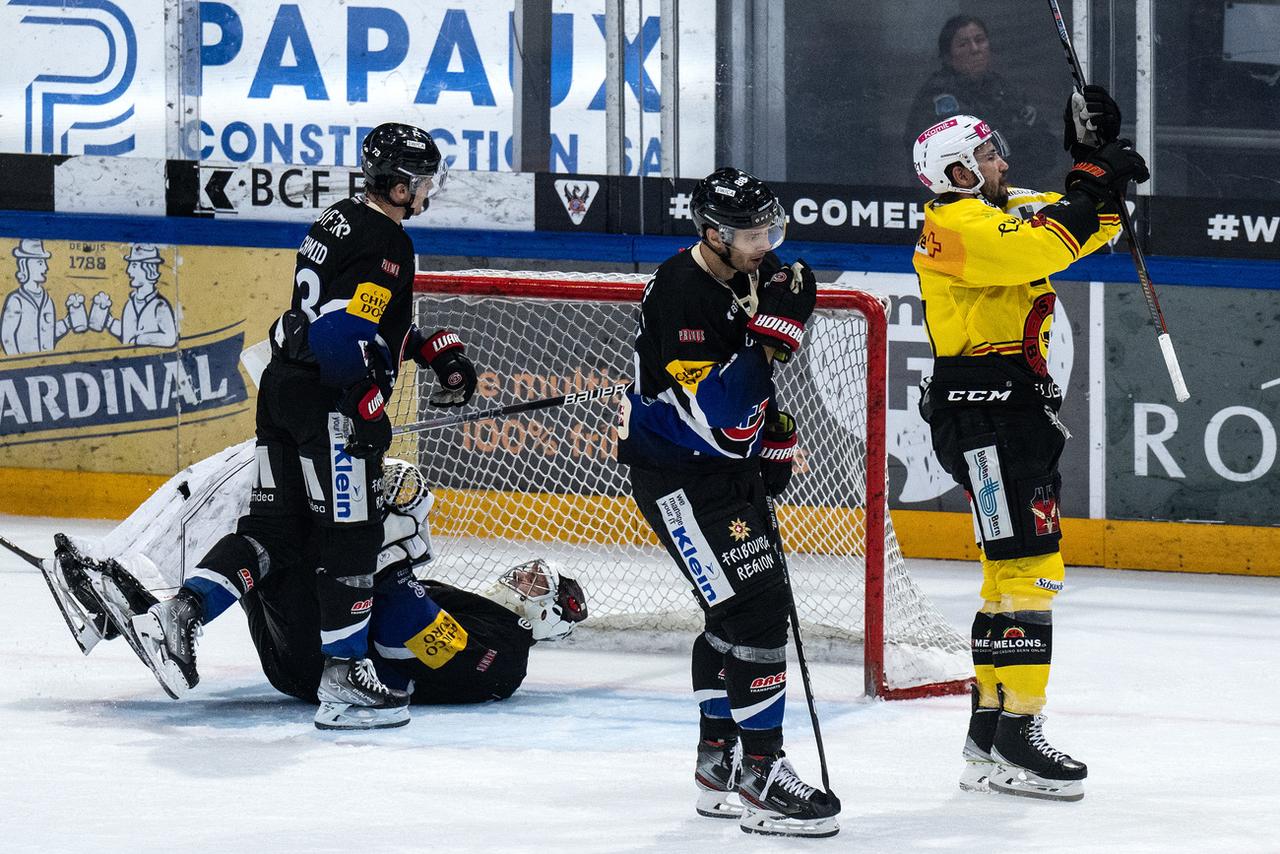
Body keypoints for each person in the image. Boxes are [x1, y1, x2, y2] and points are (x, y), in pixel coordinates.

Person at [114, 122, 478, 730]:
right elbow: (342, 332)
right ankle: (343, 683)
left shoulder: (336, 220)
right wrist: (364, 406)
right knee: (353, 536)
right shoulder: (388, 242)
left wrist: (430, 348)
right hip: (327, 401)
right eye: (422, 181)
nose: (428, 192)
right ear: (398, 185)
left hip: (283, 391)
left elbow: (345, 318)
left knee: (274, 531)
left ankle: (184, 611)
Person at [910, 85, 1147, 801]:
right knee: (1031, 574)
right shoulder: (956, 227)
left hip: (1009, 417)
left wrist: (1093, 159)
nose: (998, 159)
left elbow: (1093, 225)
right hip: (987, 420)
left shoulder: (996, 211)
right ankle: (1020, 731)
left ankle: (987, 739)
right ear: (955, 171)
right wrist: (1091, 186)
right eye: (983, 154)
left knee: (1004, 576)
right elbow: (1051, 241)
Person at [616, 167, 839, 838]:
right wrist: (779, 331)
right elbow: (720, 406)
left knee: (729, 615)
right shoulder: (685, 294)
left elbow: (748, 400)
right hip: (681, 478)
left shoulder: (743, 272)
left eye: (774, 228)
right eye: (753, 233)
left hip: (716, 471)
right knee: (760, 614)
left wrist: (773, 435)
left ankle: (719, 762)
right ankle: (761, 775)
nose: (768, 243)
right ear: (712, 234)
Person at [41, 452, 587, 710]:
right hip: (316, 656)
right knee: (262, 512)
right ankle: (129, 598)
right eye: (532, 571)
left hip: (323, 663)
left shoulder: (506, 658)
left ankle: (149, 594)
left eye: (541, 586)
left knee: (282, 532)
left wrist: (382, 540)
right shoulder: (485, 615)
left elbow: (407, 630)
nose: (523, 577)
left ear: (546, 620)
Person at [905, 15, 1062, 191]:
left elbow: (1046, 146)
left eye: (980, 40)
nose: (975, 49)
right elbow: (971, 153)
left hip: (1014, 191)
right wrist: (1015, 137)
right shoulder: (937, 96)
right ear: (948, 56)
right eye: (963, 44)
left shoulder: (1003, 88)